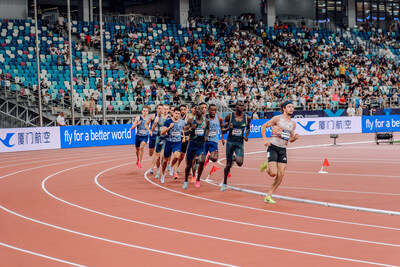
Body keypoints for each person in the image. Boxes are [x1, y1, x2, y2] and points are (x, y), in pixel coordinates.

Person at [259, 101, 299, 204]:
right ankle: (266, 163)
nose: (291, 109)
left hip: (283, 149)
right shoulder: (277, 119)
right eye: (289, 107)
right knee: (273, 173)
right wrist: (265, 140)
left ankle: (269, 195)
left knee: (281, 174)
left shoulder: (293, 124)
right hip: (273, 147)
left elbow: (290, 139)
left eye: (292, 107)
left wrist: (294, 138)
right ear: (284, 109)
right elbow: (263, 127)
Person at [220, 100, 251, 192]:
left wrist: (246, 135)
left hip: (239, 143)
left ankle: (234, 158)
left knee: (240, 163)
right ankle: (224, 183)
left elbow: (248, 128)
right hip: (230, 143)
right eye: (238, 105)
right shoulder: (230, 116)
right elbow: (222, 130)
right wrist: (228, 128)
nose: (240, 107)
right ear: (235, 106)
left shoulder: (247, 118)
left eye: (242, 105)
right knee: (228, 165)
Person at [182, 105, 210, 189]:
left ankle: (198, 179)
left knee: (201, 161)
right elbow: (185, 132)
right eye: (197, 109)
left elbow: (208, 129)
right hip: (192, 144)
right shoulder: (191, 120)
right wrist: (190, 129)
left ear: (203, 111)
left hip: (201, 145)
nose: (199, 111)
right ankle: (186, 181)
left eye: (200, 109)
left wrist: (206, 136)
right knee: (188, 166)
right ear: (194, 111)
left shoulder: (206, 121)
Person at [160, 107, 186, 183]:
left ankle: (171, 166)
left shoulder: (182, 122)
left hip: (177, 143)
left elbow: (183, 129)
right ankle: (163, 174)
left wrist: (184, 136)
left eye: (178, 114)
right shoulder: (168, 121)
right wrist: (169, 127)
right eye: (176, 113)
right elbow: (162, 132)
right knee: (165, 161)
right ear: (173, 113)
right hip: (169, 142)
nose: (177, 115)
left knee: (177, 156)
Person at [151, 104, 170, 179]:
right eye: (163, 109)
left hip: (166, 139)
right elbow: (153, 130)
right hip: (159, 138)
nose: (165, 111)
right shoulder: (157, 118)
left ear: (168, 110)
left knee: (163, 156)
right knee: (157, 157)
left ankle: (163, 173)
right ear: (161, 110)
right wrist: (155, 123)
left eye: (166, 109)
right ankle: (158, 171)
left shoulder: (169, 119)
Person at [131, 105, 150, 170]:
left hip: (144, 136)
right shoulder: (138, 118)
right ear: (142, 111)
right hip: (138, 136)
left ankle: (140, 162)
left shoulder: (149, 119)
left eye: (146, 111)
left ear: (148, 112)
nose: (145, 112)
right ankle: (138, 159)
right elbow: (132, 128)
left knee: (142, 147)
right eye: (144, 111)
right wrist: (137, 124)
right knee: (137, 150)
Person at [145, 104, 163, 173]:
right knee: (150, 153)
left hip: (159, 137)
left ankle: (152, 168)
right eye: (159, 108)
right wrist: (149, 131)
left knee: (156, 154)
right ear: (157, 109)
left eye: (161, 108)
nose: (160, 110)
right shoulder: (153, 116)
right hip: (152, 136)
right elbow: (146, 124)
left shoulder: (164, 117)